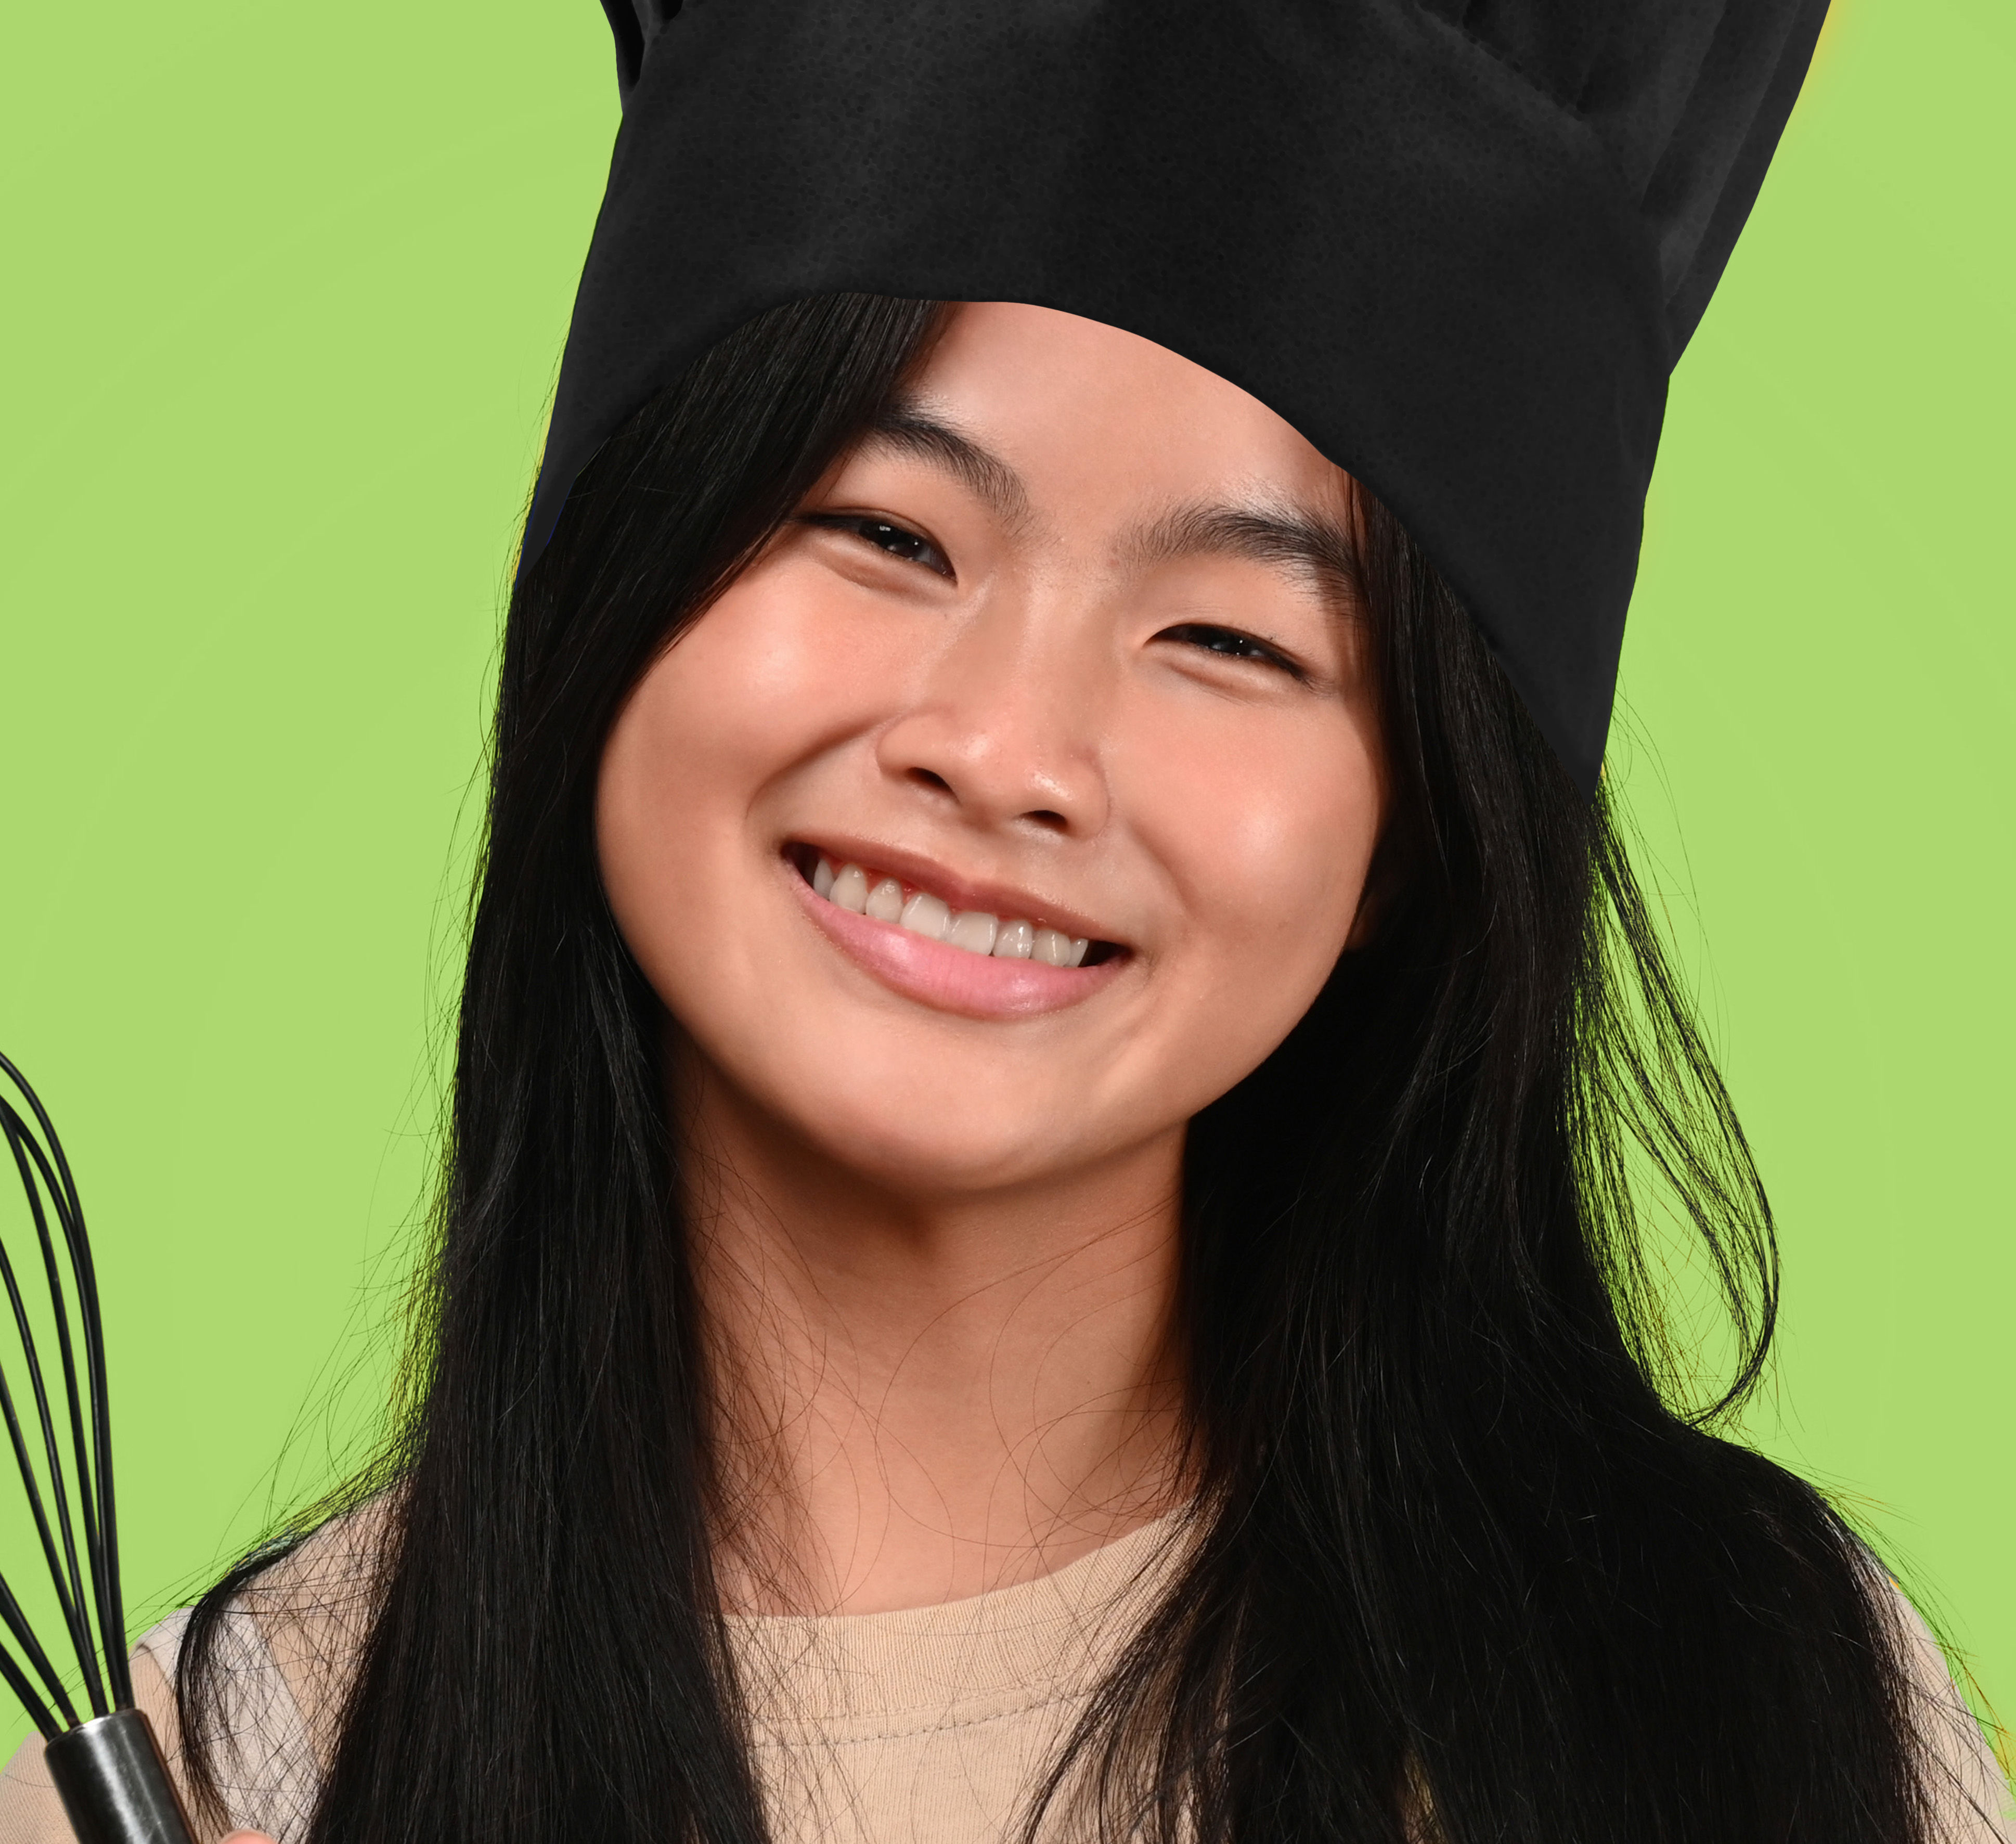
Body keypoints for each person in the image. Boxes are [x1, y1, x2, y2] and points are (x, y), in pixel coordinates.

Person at [5, 7, 2010, 1844]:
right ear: (609, 586)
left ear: (1413, 828)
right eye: (884, 530)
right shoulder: (228, 1777)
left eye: (1230, 636)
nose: (1005, 747)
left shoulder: (1743, 1711)